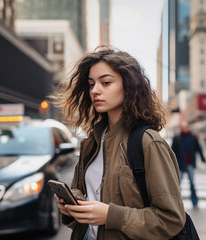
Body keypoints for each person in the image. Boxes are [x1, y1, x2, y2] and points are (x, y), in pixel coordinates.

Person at [52, 47, 185, 239]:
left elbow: (170, 219)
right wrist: (73, 205)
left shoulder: (149, 143)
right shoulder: (91, 143)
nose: (95, 90)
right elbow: (88, 197)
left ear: (129, 85)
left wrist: (110, 215)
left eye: (105, 82)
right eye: (91, 84)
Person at [172, 121, 206, 207]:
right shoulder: (177, 138)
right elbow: (172, 151)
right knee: (178, 184)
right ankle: (177, 203)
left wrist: (203, 159)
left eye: (186, 127)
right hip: (180, 164)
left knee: (192, 183)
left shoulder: (192, 137)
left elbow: (198, 148)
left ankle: (194, 201)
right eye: (183, 127)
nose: (184, 128)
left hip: (190, 163)